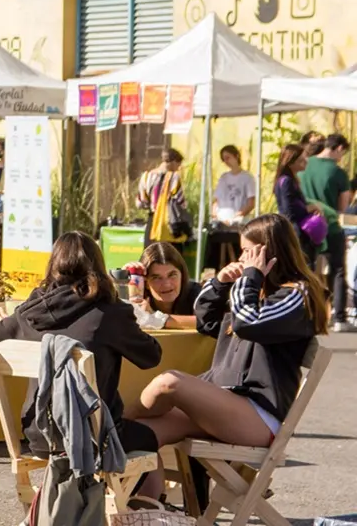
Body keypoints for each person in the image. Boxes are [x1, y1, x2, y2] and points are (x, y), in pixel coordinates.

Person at [129, 214, 327, 499]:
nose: (242, 259)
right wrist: (221, 282)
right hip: (224, 404)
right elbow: (204, 319)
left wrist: (250, 278)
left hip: (257, 415)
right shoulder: (256, 291)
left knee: (169, 383)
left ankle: (116, 420)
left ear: (267, 252)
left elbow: (247, 323)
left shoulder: (296, 294)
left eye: (247, 251)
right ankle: (149, 507)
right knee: (139, 433)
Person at [0, 232, 163, 457]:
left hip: (41, 435)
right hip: (94, 437)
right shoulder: (109, 313)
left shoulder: (31, 311)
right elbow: (151, 357)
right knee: (163, 434)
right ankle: (159, 482)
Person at [298, 133, 352, 332]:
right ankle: (338, 317)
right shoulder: (338, 172)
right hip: (329, 225)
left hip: (306, 225)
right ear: (339, 148)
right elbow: (343, 206)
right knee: (337, 270)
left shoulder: (303, 165)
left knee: (306, 269)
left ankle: (307, 313)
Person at [129, 242, 202, 329]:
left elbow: (208, 322)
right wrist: (123, 284)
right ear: (145, 282)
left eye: (172, 275)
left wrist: (156, 318)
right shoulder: (139, 297)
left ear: (182, 276)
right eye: (156, 278)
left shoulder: (196, 293)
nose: (166, 284)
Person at [273, 143, 321, 261]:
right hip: (295, 232)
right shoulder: (286, 181)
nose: (305, 162)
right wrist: (308, 208)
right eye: (301, 160)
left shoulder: (290, 180)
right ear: (290, 162)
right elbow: (288, 210)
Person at [137, 148, 190, 248]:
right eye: (178, 165)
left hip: (152, 223)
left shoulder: (146, 176)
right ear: (173, 162)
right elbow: (180, 202)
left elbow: (140, 203)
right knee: (170, 254)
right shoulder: (174, 177)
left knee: (151, 253)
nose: (178, 168)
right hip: (169, 223)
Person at [212, 145, 256, 223]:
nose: (226, 161)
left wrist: (236, 217)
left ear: (236, 156)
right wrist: (214, 214)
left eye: (228, 158)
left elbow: (251, 203)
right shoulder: (223, 177)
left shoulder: (247, 177)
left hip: (238, 221)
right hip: (220, 220)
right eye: (224, 159)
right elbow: (216, 200)